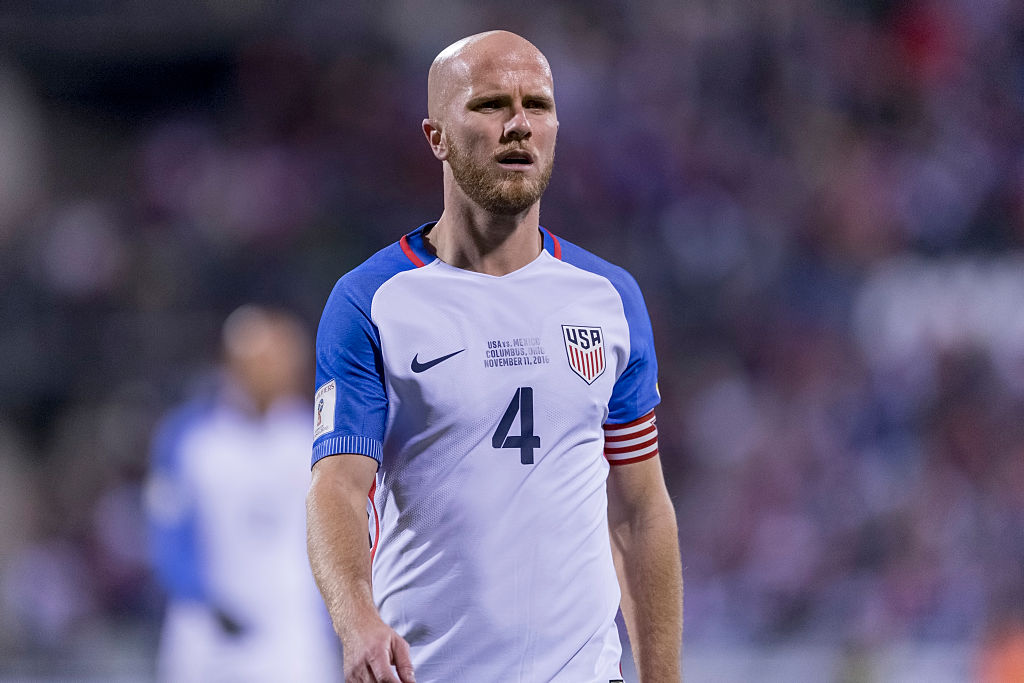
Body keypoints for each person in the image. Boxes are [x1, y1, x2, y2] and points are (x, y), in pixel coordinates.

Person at [307, 30, 683, 683]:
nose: (518, 125)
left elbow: (639, 506)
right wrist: (356, 617)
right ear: (436, 137)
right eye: (489, 105)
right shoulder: (371, 301)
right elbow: (338, 486)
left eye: (536, 104)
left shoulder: (609, 300)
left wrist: (664, 675)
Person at [146, 305, 342, 682]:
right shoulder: (189, 437)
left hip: (293, 636)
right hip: (206, 634)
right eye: (261, 359)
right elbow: (166, 529)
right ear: (232, 363)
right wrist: (203, 597)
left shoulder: (316, 435)